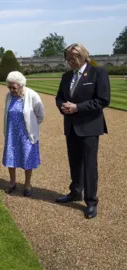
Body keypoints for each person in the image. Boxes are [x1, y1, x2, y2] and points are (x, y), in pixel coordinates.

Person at [55, 43, 110, 219]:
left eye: (73, 58)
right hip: (71, 125)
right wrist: (62, 106)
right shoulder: (66, 76)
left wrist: (78, 107)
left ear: (83, 56)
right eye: (68, 58)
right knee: (74, 161)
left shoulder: (98, 73)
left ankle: (91, 201)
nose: (70, 62)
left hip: (89, 126)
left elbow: (103, 100)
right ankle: (75, 192)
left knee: (89, 165)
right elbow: (59, 97)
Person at [2, 71, 44, 197]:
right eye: (9, 87)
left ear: (21, 85)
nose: (11, 90)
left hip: (26, 134)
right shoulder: (8, 96)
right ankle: (12, 183)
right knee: (11, 158)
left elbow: (40, 115)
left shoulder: (32, 95)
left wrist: (33, 126)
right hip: (11, 134)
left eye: (13, 87)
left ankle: (27, 185)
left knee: (27, 159)